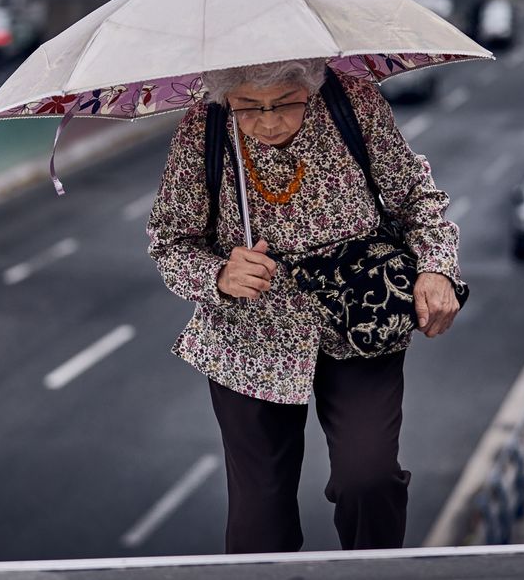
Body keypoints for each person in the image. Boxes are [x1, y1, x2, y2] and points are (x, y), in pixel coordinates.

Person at [145, 57, 467, 554]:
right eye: (249, 108)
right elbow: (170, 243)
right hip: (250, 334)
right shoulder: (204, 125)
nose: (268, 121)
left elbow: (417, 200)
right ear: (226, 99)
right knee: (260, 517)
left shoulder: (352, 101)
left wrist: (436, 267)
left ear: (310, 88)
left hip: (359, 316)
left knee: (370, 480)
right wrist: (219, 274)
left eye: (285, 104)